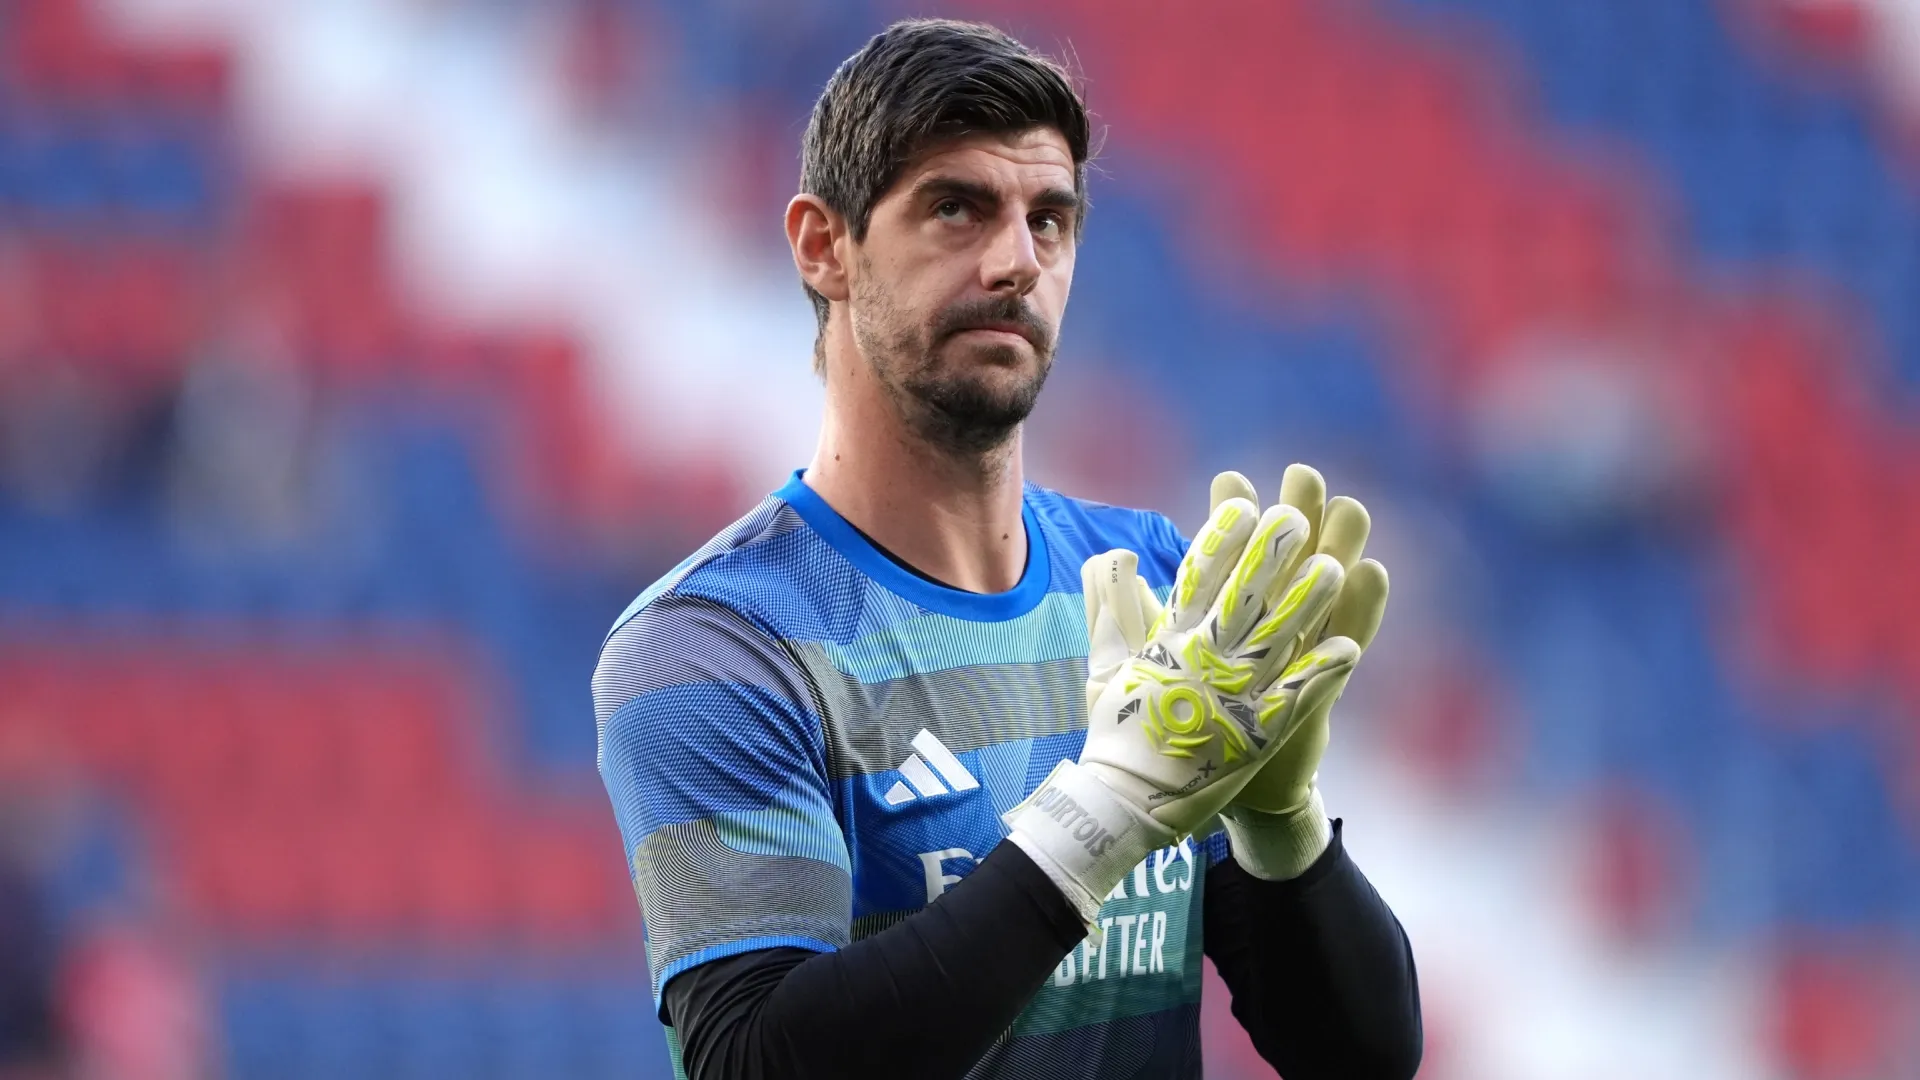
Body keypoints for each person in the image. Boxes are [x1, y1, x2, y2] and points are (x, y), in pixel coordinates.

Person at [593, 19, 1421, 1079]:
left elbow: (1362, 1057)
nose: (1017, 262)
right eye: (956, 208)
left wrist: (1278, 819)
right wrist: (1107, 809)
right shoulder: (713, 648)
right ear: (823, 246)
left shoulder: (1150, 584)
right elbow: (754, 1059)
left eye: (1050, 221)